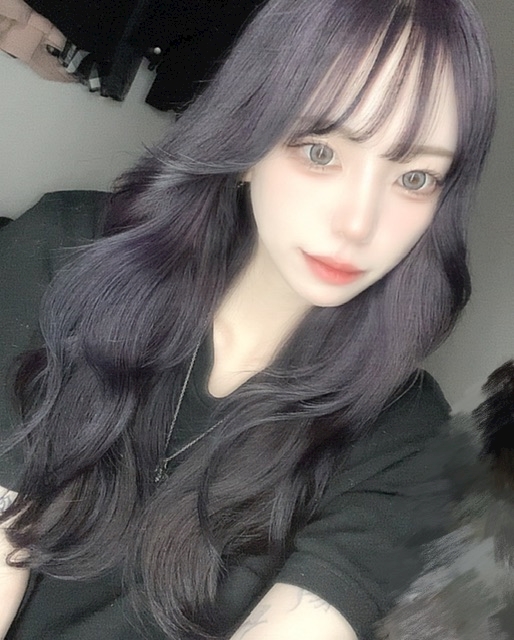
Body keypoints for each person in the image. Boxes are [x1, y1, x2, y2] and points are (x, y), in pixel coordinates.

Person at [0, 0, 497, 638]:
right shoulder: (64, 253)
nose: (359, 224)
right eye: (321, 152)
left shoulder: (402, 431)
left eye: (416, 178)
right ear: (249, 142)